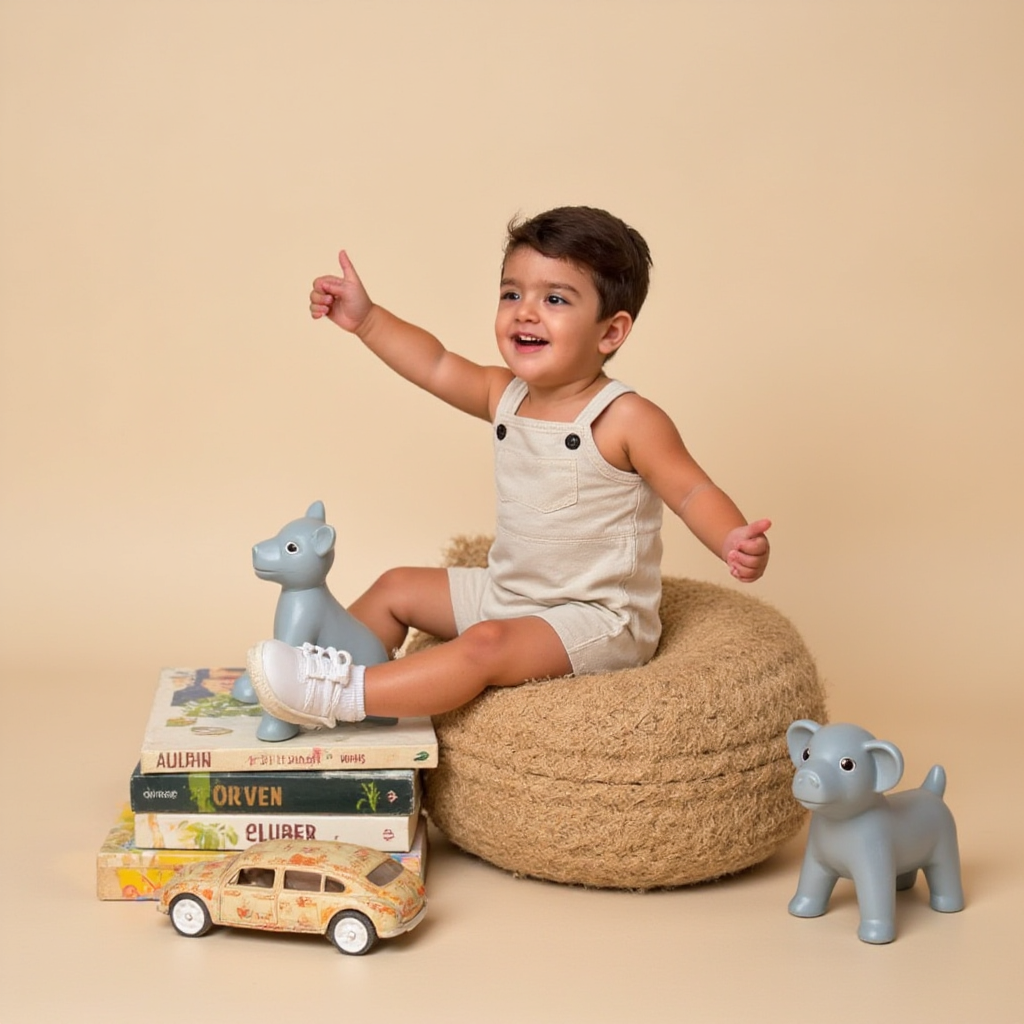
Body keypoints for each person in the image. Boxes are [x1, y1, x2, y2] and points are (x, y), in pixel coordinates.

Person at [247, 206, 771, 728]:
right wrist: (367, 321)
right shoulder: (505, 393)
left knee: (485, 646)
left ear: (610, 333)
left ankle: (338, 693)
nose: (525, 311)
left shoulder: (625, 417)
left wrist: (731, 538)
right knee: (395, 587)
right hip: (507, 592)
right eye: (512, 293)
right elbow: (433, 363)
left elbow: (691, 491)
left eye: (555, 299)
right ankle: (318, 664)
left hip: (591, 620)